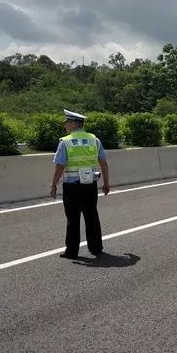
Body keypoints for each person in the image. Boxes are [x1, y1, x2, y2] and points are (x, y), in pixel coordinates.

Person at [50, 109, 109, 259]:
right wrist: (106, 183)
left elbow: (60, 166)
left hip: (72, 187)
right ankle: (96, 248)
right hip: (90, 185)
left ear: (74, 124)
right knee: (91, 216)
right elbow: (103, 163)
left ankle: (72, 251)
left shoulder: (66, 141)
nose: (65, 126)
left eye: (66, 123)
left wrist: (53, 184)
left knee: (73, 219)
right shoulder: (94, 139)